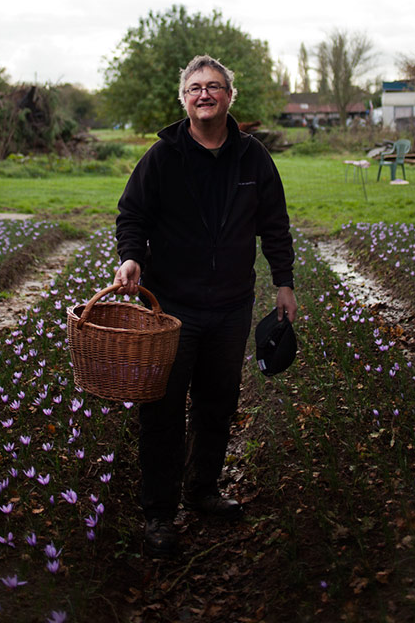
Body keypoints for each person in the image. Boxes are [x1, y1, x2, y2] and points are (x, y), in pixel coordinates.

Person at [114, 54, 296, 556]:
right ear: (184, 99)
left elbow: (275, 224)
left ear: (229, 97)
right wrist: (131, 258)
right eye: (195, 88)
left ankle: (203, 491)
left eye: (214, 86)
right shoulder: (162, 157)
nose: (204, 94)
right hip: (171, 309)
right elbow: (132, 214)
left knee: (218, 403)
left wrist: (284, 282)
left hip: (231, 305)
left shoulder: (252, 156)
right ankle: (159, 514)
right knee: (163, 409)